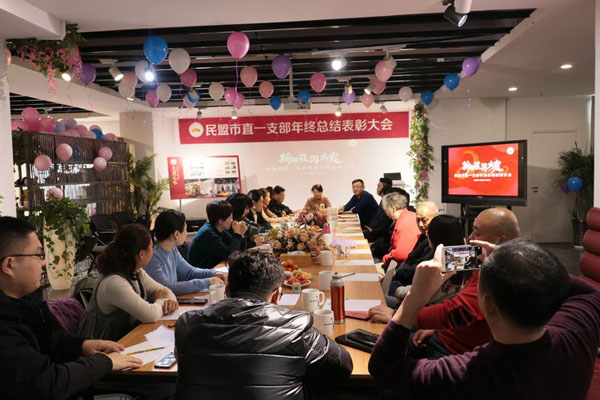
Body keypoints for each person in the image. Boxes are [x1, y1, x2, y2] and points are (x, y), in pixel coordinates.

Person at [369, 239, 600, 399]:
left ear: (486, 304)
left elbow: (382, 366)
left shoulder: (468, 374)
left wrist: (415, 297)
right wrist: (523, 263)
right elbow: (591, 294)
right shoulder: (577, 335)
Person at [175, 251, 353, 399]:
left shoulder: (187, 323)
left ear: (227, 291)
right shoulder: (295, 326)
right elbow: (342, 365)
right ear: (276, 295)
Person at [0, 217, 144, 400]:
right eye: (38, 255)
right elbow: (47, 383)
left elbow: (49, 339)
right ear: (9, 265)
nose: (44, 263)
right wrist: (104, 362)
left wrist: (82, 345)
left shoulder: (26, 302)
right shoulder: (4, 326)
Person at [369, 207, 520, 359]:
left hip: (452, 351)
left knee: (381, 354)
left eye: (477, 232)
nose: (470, 237)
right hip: (442, 335)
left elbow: (453, 311)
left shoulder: (498, 274)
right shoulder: (479, 256)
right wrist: (436, 329)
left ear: (500, 240)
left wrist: (397, 316)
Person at [79, 224, 178, 341]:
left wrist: (167, 300)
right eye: (152, 248)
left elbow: (166, 291)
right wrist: (162, 300)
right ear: (141, 254)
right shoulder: (114, 283)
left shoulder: (136, 271)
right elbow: (150, 315)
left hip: (123, 339)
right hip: (102, 346)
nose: (153, 252)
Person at [144, 210, 226, 296]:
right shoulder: (152, 257)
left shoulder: (172, 249)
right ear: (176, 234)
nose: (186, 233)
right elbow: (168, 288)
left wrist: (214, 273)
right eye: (185, 230)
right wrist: (207, 282)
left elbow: (189, 272)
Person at [188, 200, 247, 268]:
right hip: (202, 272)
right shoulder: (208, 234)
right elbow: (230, 255)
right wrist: (237, 235)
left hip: (214, 268)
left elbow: (239, 250)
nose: (232, 220)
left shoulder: (220, 229)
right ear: (221, 221)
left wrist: (241, 233)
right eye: (230, 217)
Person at [380, 192, 421, 267]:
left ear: (393, 208)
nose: (387, 214)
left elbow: (401, 254)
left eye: (386, 211)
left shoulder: (403, 222)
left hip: (405, 266)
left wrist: (385, 258)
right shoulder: (411, 215)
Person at [363, 177, 393, 242]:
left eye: (379, 186)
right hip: (373, 231)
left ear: (385, 188)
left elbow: (384, 224)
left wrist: (372, 230)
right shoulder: (382, 201)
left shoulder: (387, 203)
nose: (377, 188)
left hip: (378, 235)